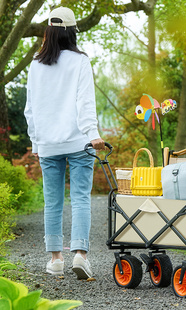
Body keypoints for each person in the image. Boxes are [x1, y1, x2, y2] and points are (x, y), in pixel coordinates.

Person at [24, 6, 105, 279]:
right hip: (79, 141)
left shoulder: (35, 64)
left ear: (48, 32)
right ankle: (80, 255)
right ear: (71, 32)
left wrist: (36, 142)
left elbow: (30, 109)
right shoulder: (80, 61)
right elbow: (85, 102)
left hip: (48, 143)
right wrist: (92, 133)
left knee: (52, 201)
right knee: (80, 198)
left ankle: (56, 259)